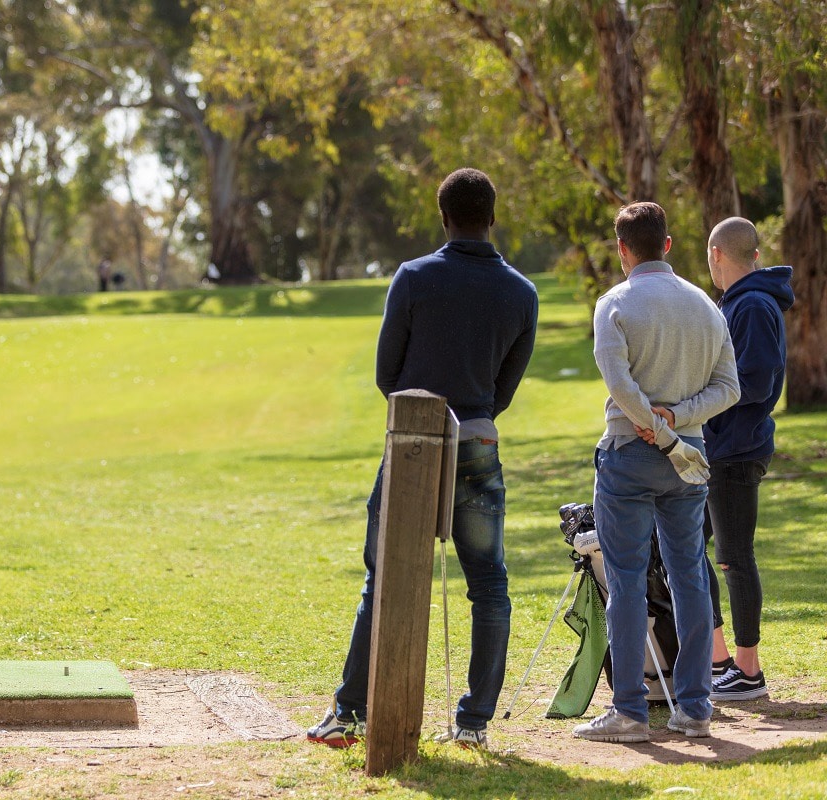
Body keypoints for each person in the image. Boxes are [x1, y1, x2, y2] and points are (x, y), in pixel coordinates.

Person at [307, 168, 538, 750]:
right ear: (492, 215)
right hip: (479, 444)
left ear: (444, 217)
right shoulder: (521, 292)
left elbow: (388, 375)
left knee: (381, 577)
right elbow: (503, 390)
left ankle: (351, 711)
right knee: (489, 583)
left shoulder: (413, 277)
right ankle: (474, 722)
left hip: (414, 442)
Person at [574, 202, 739, 743]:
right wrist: (677, 421)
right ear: (667, 245)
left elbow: (619, 384)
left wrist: (652, 424)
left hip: (629, 453)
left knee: (624, 581)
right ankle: (694, 706)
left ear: (623, 249)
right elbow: (729, 389)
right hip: (687, 460)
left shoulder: (614, 303)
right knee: (689, 575)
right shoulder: (706, 307)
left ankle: (630, 712)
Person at [700, 217, 793, 701]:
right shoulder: (740, 301)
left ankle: (747, 671)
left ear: (717, 254)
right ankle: (718, 661)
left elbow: (755, 383)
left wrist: (700, 396)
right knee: (692, 550)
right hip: (721, 446)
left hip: (736, 449)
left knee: (734, 557)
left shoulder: (753, 305)